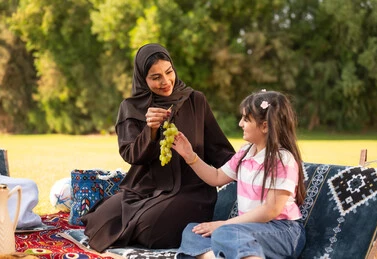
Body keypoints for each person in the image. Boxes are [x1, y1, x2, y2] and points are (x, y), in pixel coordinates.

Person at [81, 43, 235, 252]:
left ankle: (137, 226)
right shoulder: (131, 107)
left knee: (152, 229)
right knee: (102, 217)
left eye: (169, 72)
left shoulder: (195, 100)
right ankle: (136, 222)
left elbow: (219, 150)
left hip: (190, 191)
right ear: (142, 79)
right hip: (145, 189)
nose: (166, 81)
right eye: (156, 77)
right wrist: (150, 130)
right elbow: (130, 154)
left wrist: (247, 164)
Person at [172, 90, 307, 259]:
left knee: (224, 232)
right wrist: (189, 156)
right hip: (247, 231)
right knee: (193, 230)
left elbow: (270, 210)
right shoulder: (245, 153)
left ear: (265, 126)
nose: (240, 124)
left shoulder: (282, 159)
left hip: (283, 232)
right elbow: (216, 177)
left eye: (246, 119)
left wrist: (223, 225)